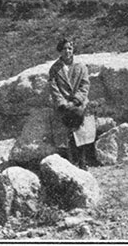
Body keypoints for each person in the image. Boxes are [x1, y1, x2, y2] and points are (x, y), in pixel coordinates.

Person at [48, 37, 95, 170]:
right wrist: (63, 103)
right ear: (60, 51)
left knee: (81, 125)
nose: (67, 51)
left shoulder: (81, 67)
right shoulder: (55, 69)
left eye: (70, 48)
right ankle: (70, 159)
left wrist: (76, 101)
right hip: (63, 105)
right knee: (65, 129)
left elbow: (85, 85)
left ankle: (82, 160)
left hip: (78, 103)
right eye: (64, 49)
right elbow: (54, 88)